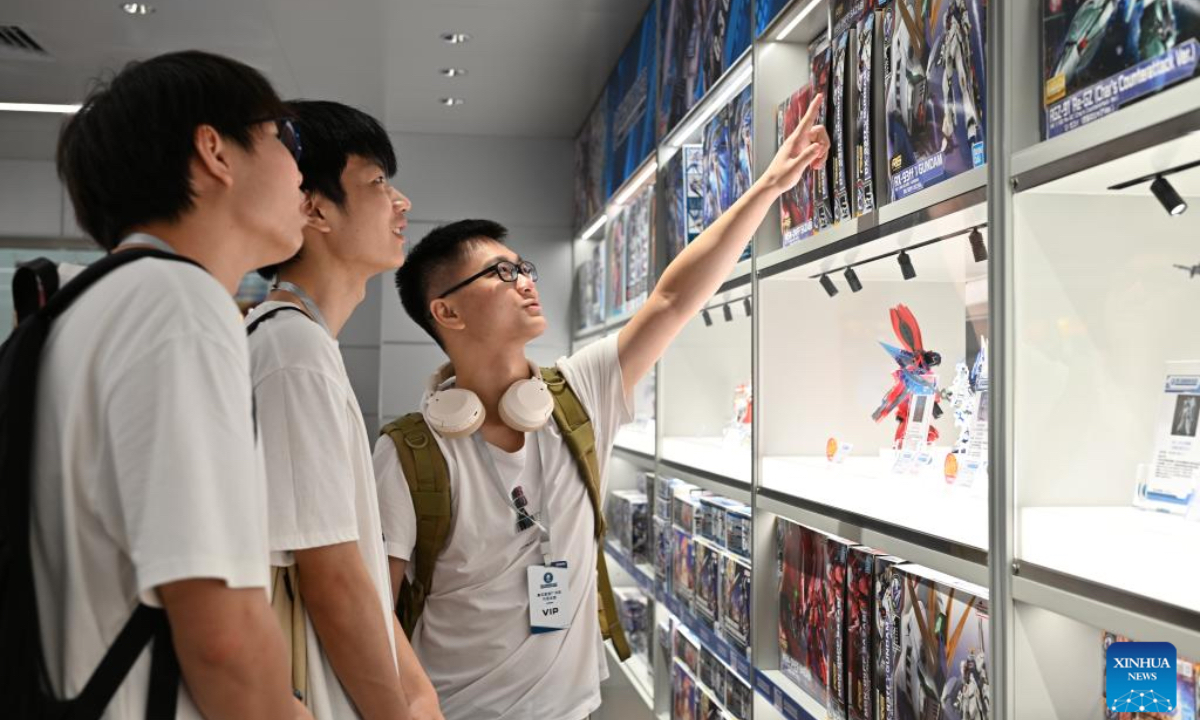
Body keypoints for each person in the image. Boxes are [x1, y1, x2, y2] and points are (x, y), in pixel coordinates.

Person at [376, 96, 830, 720]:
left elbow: (672, 299)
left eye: (522, 268)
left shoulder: (575, 394)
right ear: (446, 312)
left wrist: (770, 187)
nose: (525, 282)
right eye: (499, 276)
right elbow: (375, 612)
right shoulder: (408, 455)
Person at [37, 50, 310, 719]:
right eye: (286, 139)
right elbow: (222, 633)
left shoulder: (85, 309)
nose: (302, 171)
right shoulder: (177, 305)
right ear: (215, 151)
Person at [247, 100, 440, 720]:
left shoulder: (298, 340)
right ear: (315, 208)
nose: (401, 202)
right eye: (378, 181)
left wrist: (419, 692)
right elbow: (330, 579)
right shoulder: (292, 350)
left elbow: (349, 568)